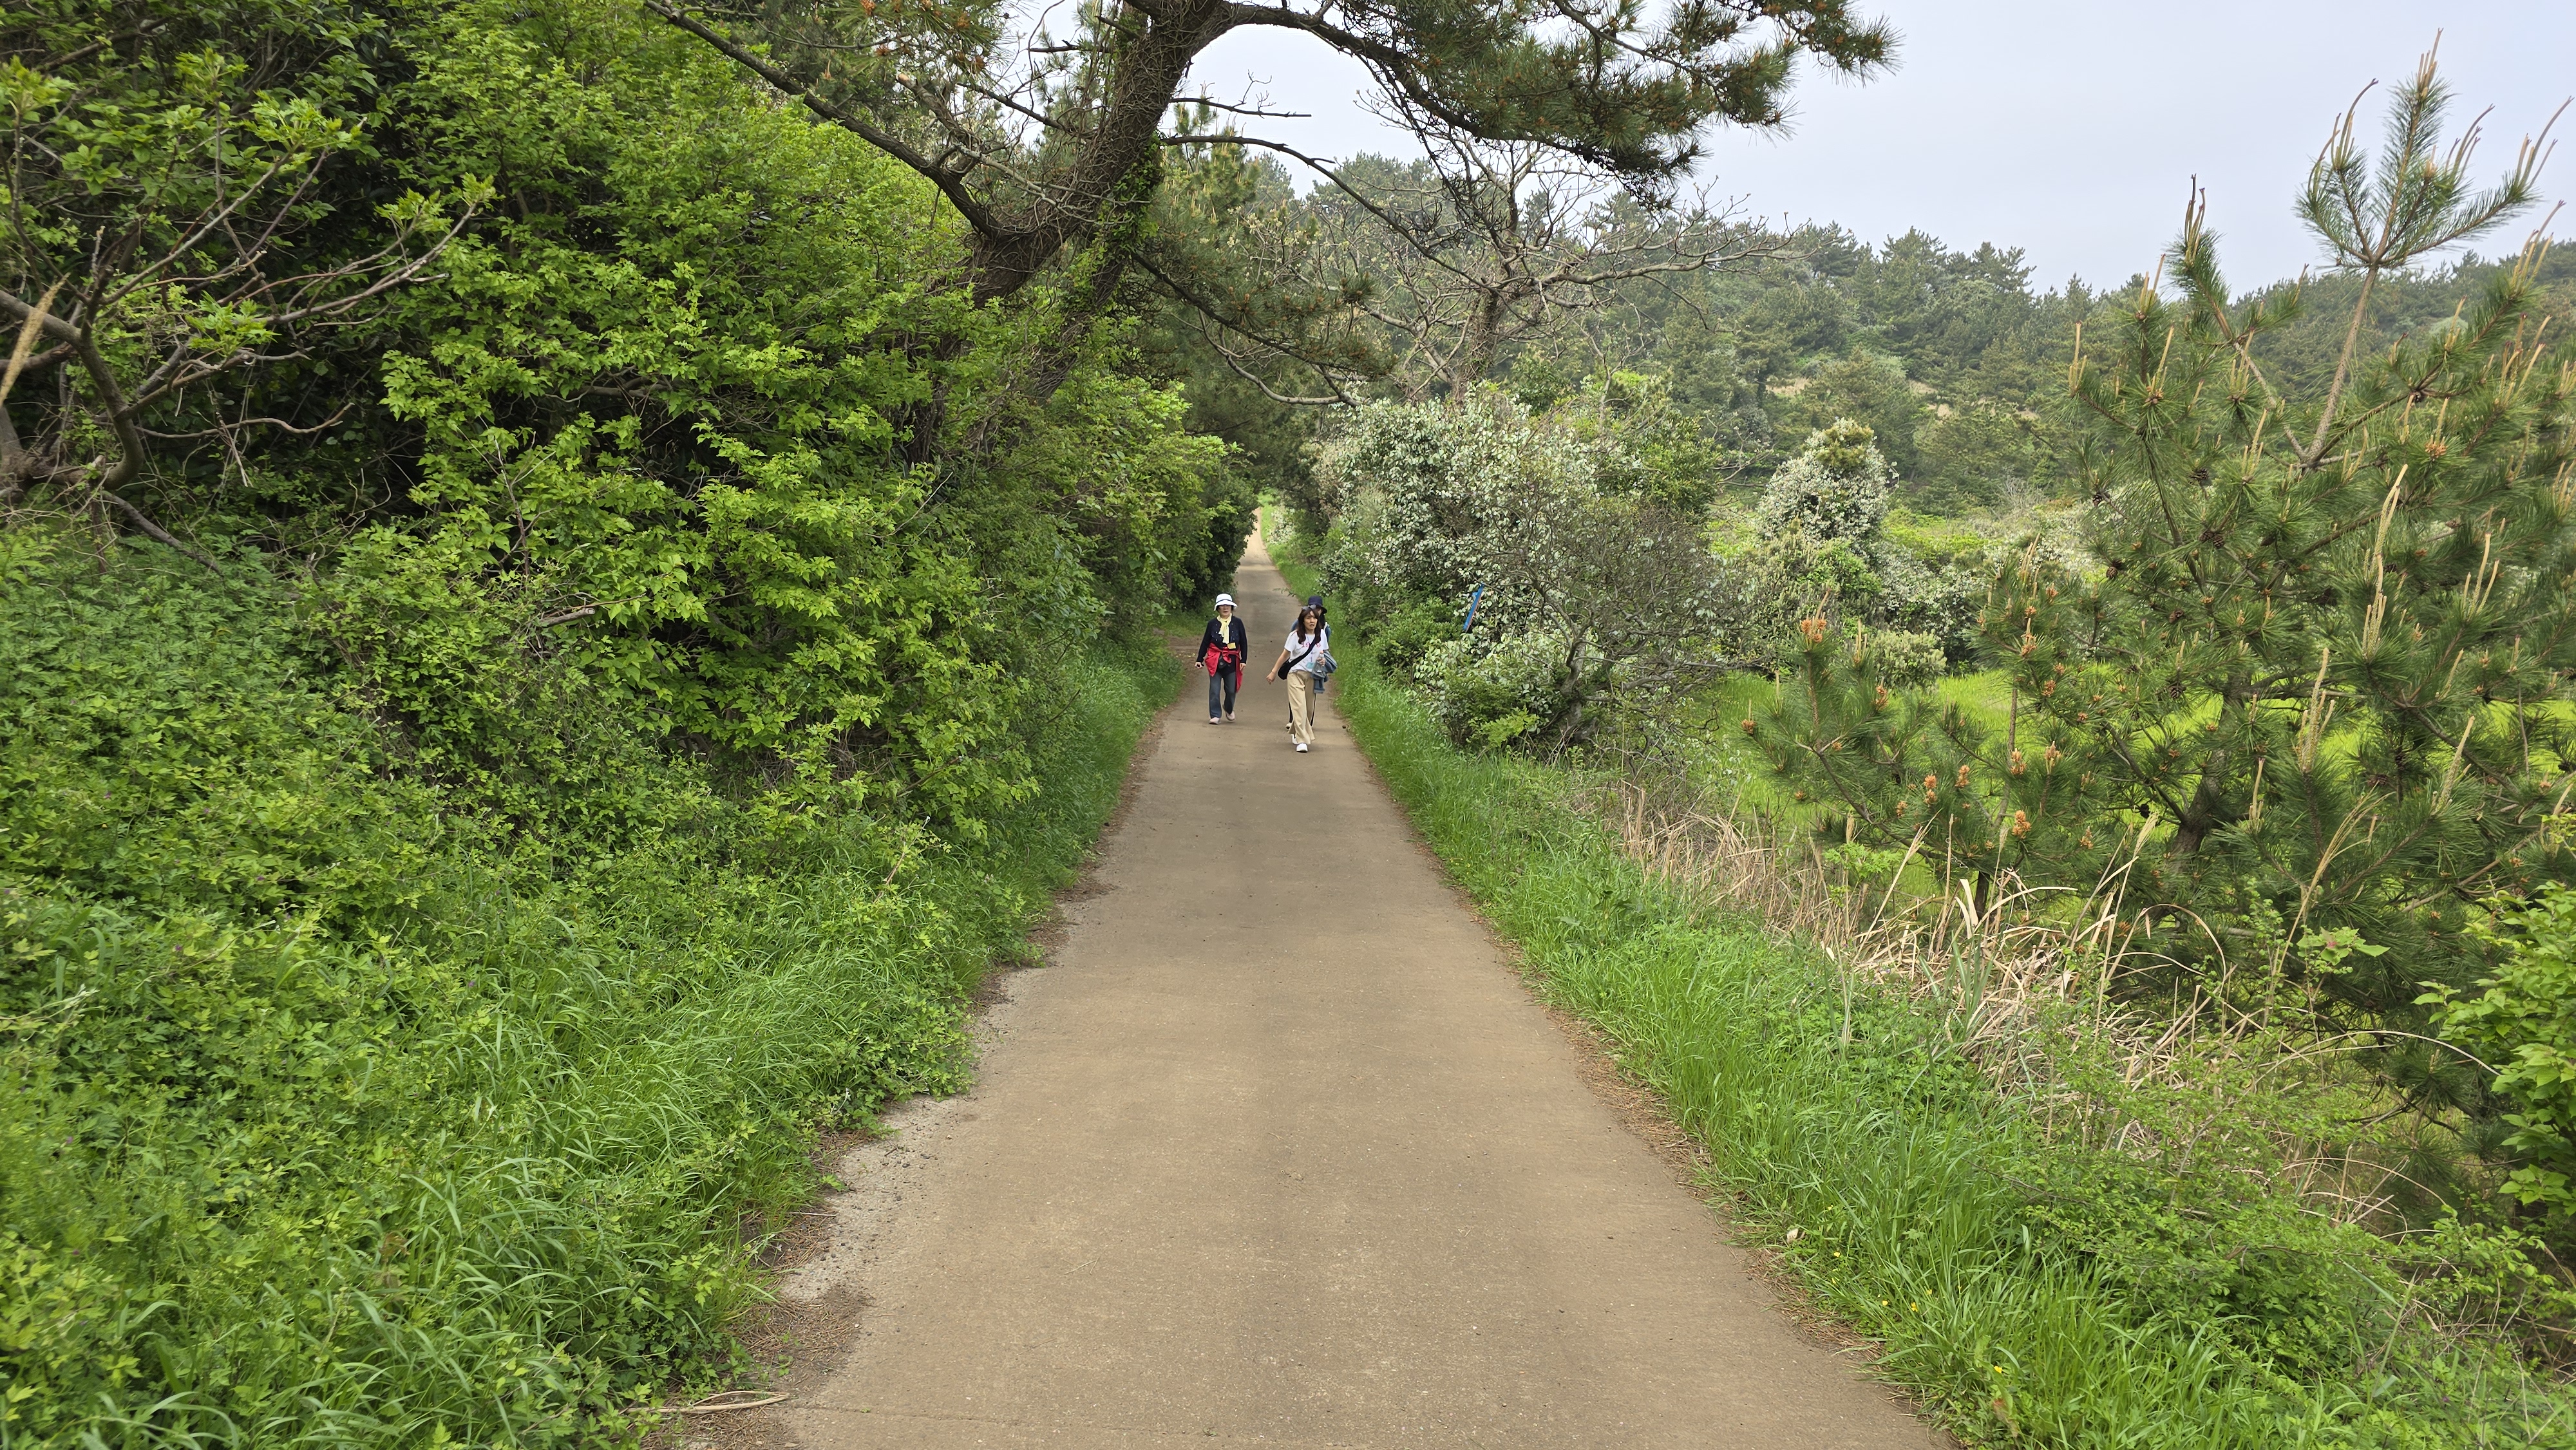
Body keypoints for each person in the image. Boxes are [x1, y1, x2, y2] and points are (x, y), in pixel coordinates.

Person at [1269, 601, 1330, 753]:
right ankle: (1302, 740)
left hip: (1312, 675)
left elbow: (1323, 653)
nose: (1312, 621)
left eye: (1314, 618)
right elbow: (1285, 655)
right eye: (1308, 618)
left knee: (1308, 710)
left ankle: (1296, 732)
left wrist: (1322, 660)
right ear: (1302, 621)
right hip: (1295, 674)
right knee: (1299, 707)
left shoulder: (1321, 635)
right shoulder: (1295, 636)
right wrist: (1274, 672)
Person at [1196, 593, 1247, 723]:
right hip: (1215, 659)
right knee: (1214, 689)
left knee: (1231, 690)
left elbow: (1243, 642)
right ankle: (1215, 715)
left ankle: (1229, 708)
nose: (1225, 608)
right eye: (1222, 605)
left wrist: (1243, 660)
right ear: (1218, 608)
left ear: (1231, 607)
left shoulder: (1238, 623)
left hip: (1232, 660)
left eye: (1228, 605)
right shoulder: (1212, 624)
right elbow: (1206, 642)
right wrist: (1199, 659)